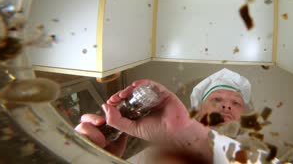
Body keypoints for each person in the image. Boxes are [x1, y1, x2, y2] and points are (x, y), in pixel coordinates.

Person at [74, 68, 252, 163]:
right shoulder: (146, 151)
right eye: (216, 99)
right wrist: (94, 158)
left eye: (236, 102)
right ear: (198, 108)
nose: (227, 105)